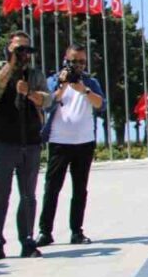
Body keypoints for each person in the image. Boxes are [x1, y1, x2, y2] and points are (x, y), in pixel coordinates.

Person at [0, 31, 52, 261]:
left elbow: (48, 99)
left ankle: (27, 240)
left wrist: (29, 93)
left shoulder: (34, 75)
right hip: (2, 142)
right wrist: (11, 65)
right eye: (18, 49)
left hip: (29, 141)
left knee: (28, 196)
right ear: (8, 50)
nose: (23, 54)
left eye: (26, 50)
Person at [37, 44, 106, 247]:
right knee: (52, 188)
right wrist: (63, 86)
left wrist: (83, 90)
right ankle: (45, 232)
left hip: (84, 142)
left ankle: (77, 231)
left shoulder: (90, 82)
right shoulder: (54, 81)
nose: (77, 65)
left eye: (81, 61)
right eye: (73, 61)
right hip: (59, 142)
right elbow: (47, 105)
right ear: (65, 60)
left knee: (80, 189)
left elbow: (101, 105)